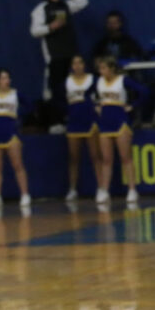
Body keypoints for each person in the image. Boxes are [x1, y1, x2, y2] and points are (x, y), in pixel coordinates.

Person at [30, 0, 89, 130]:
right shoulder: (41, 8)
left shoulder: (66, 5)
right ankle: (55, 122)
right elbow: (34, 31)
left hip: (71, 53)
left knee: (74, 86)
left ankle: (74, 118)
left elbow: (83, 1)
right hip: (55, 55)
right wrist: (50, 27)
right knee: (55, 88)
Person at [93, 56, 148, 205]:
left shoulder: (123, 80)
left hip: (120, 121)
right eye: (100, 68)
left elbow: (144, 91)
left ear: (112, 68)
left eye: (104, 68)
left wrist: (133, 106)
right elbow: (88, 96)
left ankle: (132, 189)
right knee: (106, 159)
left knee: (126, 157)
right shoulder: (98, 81)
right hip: (105, 123)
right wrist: (96, 106)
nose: (101, 71)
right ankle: (104, 190)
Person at [0, 69, 31, 210]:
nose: (7, 81)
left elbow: (29, 106)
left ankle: (25, 194)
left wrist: (19, 117)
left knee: (17, 165)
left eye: (8, 78)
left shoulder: (15, 94)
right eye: (3, 78)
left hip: (11, 133)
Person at [64, 55, 104, 201]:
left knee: (95, 156)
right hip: (74, 122)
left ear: (84, 65)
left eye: (80, 62)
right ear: (71, 66)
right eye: (74, 63)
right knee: (73, 157)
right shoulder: (67, 81)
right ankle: (72, 189)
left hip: (90, 120)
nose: (77, 66)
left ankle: (101, 188)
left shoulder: (93, 79)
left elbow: (101, 96)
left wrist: (98, 107)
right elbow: (61, 100)